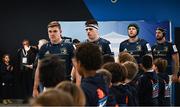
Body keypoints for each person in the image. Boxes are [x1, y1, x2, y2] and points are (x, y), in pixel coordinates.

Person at [33, 21, 74, 97]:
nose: (52, 34)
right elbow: (38, 69)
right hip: (48, 87)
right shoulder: (44, 48)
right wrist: (35, 88)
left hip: (65, 85)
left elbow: (76, 68)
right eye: (50, 31)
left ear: (60, 32)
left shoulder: (69, 47)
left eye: (55, 31)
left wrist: (77, 86)